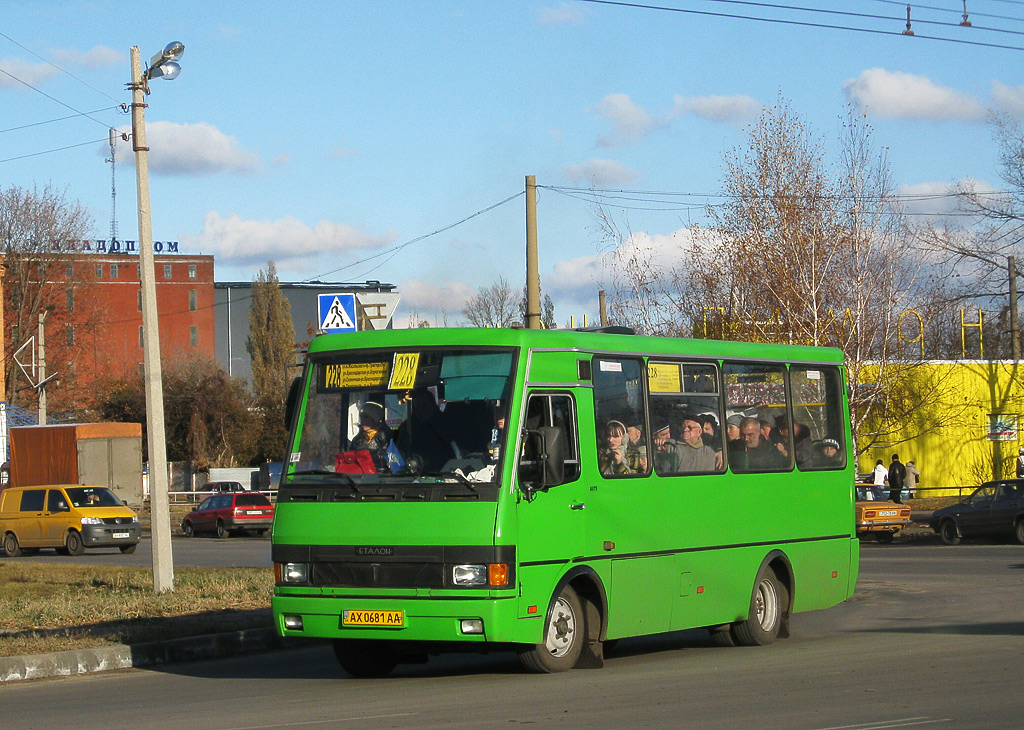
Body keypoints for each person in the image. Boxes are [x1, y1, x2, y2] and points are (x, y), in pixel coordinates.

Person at [349, 401, 392, 472]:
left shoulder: (388, 438)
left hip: (383, 480)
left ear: (375, 419)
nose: (362, 420)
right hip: (362, 479)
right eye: (361, 417)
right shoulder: (357, 440)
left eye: (366, 417)